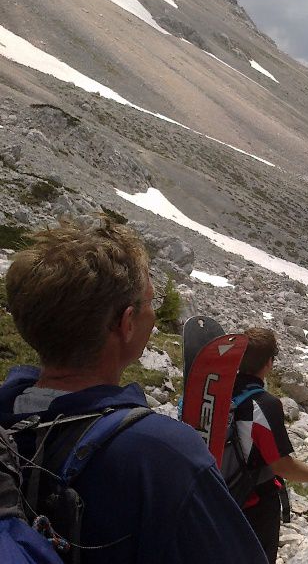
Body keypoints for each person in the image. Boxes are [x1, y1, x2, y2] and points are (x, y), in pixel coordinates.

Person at [0, 219, 268, 564]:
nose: (154, 315)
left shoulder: (8, 417)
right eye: (149, 303)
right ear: (127, 324)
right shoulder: (163, 454)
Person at [232, 327, 308, 564]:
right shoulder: (264, 405)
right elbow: (282, 466)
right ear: (269, 362)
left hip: (218, 495)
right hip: (254, 504)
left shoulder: (219, 393)